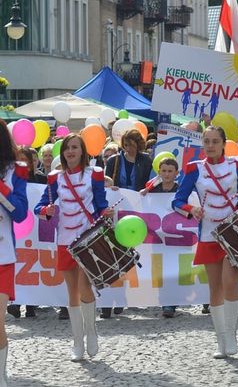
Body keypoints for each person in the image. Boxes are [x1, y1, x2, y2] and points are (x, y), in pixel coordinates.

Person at [171, 126, 238, 358]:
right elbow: (177, 201)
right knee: (215, 287)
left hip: (233, 232)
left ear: (224, 143)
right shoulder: (194, 169)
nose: (210, 146)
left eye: (215, 141)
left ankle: (231, 333)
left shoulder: (237, 165)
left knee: (230, 282)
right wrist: (191, 209)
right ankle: (221, 340)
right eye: (206, 141)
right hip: (208, 234)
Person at [34, 133, 113, 361]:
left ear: (82, 151)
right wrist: (46, 211)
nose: (70, 151)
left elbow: (100, 204)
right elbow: (40, 206)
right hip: (65, 240)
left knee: (84, 286)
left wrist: (105, 212)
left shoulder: (94, 174)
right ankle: (78, 342)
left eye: (75, 147)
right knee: (72, 292)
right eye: (67, 148)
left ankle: (91, 332)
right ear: (63, 153)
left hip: (87, 238)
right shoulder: (54, 178)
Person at [104, 129, 152, 318]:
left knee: (129, 256)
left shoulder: (145, 160)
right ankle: (109, 302)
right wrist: (110, 186)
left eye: (132, 145)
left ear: (139, 145)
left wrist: (146, 191)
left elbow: (150, 182)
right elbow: (105, 182)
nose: (129, 149)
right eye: (126, 145)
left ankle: (123, 297)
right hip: (117, 210)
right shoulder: (113, 161)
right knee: (112, 255)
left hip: (137, 211)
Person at [0, 119, 29, 387]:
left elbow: (20, 213)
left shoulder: (16, 170)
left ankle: (1, 376)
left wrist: (1, 189)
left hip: (2, 255)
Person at [6, 147, 46, 319]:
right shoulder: (10, 178)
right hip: (18, 232)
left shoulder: (41, 179)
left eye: (26, 160)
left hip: (36, 230)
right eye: (19, 160)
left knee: (35, 262)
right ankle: (17, 303)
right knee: (21, 263)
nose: (23, 163)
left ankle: (31, 304)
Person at [140, 157, 181, 318]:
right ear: (159, 172)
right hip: (157, 237)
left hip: (176, 237)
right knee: (159, 269)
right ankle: (164, 299)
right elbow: (142, 204)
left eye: (170, 171)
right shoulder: (152, 190)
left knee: (173, 268)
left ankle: (170, 303)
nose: (167, 174)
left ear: (176, 173)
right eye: (164, 171)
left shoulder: (181, 190)